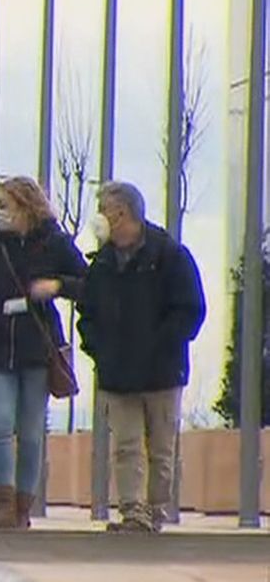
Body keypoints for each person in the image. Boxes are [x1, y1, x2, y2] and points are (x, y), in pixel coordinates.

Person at [0, 176, 87, 530]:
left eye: (4, 204)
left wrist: (57, 286)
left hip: (36, 348)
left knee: (30, 432)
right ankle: (4, 501)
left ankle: (22, 508)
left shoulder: (55, 243)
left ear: (26, 207)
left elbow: (88, 282)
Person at [77, 182, 206, 533]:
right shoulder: (102, 264)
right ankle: (134, 511)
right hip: (117, 373)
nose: (100, 217)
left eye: (105, 210)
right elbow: (87, 311)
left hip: (161, 372)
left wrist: (162, 344)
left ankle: (156, 508)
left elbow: (190, 310)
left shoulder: (169, 256)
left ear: (123, 213)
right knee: (126, 445)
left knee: (161, 447)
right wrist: (98, 348)